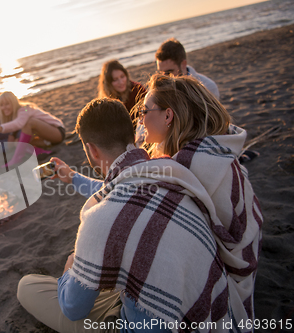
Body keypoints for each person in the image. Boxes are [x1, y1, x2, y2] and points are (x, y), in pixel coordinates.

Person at [17, 98, 246, 332]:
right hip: (213, 315)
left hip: (150, 323)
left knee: (28, 287)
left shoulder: (100, 218)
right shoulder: (170, 172)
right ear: (130, 133)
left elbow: (73, 307)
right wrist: (73, 177)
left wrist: (69, 268)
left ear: (91, 149)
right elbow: (122, 189)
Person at [138, 73, 262, 322]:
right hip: (247, 264)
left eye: (144, 110)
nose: (140, 117)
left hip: (224, 279)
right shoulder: (217, 152)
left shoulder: (181, 171)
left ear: (168, 115)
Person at [0, 91, 65, 167]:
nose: (4, 107)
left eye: (7, 104)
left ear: (14, 102)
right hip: (46, 141)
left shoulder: (25, 109)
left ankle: (17, 158)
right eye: (1, 105)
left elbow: (19, 123)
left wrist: (1, 128)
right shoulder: (13, 115)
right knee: (18, 141)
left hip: (57, 132)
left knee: (29, 122)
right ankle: (40, 152)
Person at [155, 38, 219, 98]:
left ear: (183, 64)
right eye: (160, 72)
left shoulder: (208, 87)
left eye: (168, 72)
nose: (163, 77)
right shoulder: (158, 90)